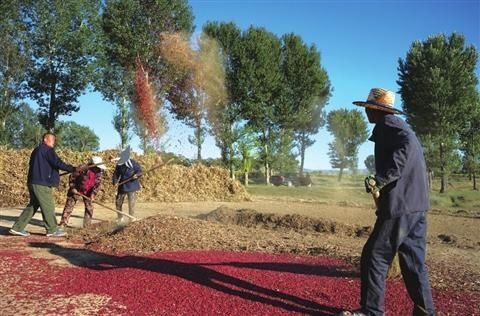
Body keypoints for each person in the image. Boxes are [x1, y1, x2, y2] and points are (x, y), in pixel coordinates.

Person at [341, 88, 435, 316]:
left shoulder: (388, 125)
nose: (366, 114)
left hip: (400, 206)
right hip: (416, 205)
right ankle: (426, 311)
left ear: (376, 109)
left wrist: (380, 179)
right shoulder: (399, 125)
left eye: (368, 109)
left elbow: (407, 148)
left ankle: (371, 311)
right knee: (413, 262)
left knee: (375, 256)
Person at [10, 132, 81, 237]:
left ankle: (17, 228)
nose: (54, 142)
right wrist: (73, 169)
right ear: (45, 140)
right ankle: (52, 229)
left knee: (33, 206)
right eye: (52, 140)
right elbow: (57, 162)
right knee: (48, 206)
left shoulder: (36, 150)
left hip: (33, 182)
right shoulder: (48, 150)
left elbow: (41, 165)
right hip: (42, 183)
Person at [59, 156, 106, 228]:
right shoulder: (83, 168)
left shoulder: (99, 172)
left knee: (89, 208)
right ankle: (63, 223)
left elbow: (97, 185)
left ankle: (87, 226)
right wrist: (73, 187)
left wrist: (93, 194)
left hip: (88, 191)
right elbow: (72, 177)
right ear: (93, 164)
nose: (97, 169)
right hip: (77, 189)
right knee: (69, 205)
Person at [112, 147, 142, 223]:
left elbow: (139, 171)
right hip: (122, 186)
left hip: (132, 185)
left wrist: (136, 175)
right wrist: (115, 181)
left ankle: (131, 218)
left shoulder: (133, 163)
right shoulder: (119, 165)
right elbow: (116, 174)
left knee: (131, 204)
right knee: (118, 202)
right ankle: (120, 218)